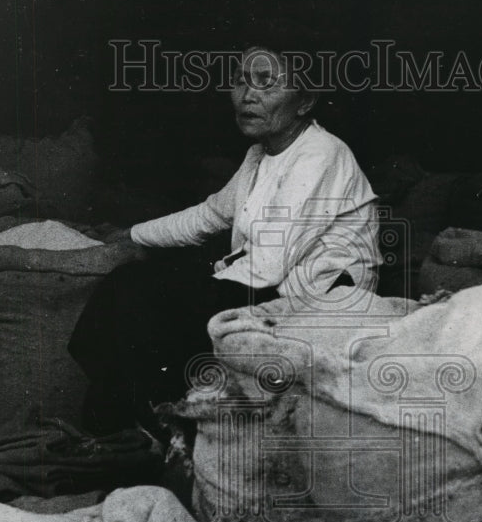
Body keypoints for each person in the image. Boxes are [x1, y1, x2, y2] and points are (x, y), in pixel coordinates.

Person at [69, 41, 381, 436]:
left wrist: (189, 286)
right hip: (265, 280)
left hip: (315, 295)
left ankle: (158, 426)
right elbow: (210, 214)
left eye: (266, 83)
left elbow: (266, 265)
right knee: (126, 283)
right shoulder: (260, 154)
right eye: (240, 81)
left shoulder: (320, 154)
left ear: (305, 101)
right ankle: (128, 428)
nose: (248, 95)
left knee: (144, 297)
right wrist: (130, 234)